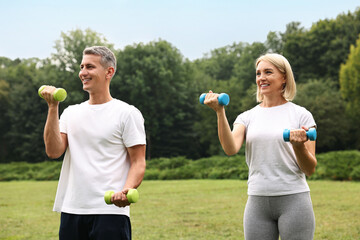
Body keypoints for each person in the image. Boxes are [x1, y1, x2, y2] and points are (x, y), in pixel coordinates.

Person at [203, 53, 317, 240]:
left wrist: (298, 146)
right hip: (257, 201)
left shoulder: (301, 116)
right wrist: (220, 112)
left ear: (284, 78)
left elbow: (310, 169)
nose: (261, 78)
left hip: (294, 199)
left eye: (268, 72)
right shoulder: (247, 117)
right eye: (258, 73)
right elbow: (230, 148)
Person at [41, 46, 146, 240]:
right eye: (81, 67)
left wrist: (126, 190)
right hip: (72, 209)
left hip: (110, 211)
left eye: (90, 67)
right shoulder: (70, 112)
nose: (83, 73)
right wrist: (53, 107)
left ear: (109, 72)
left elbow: (138, 162)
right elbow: (54, 151)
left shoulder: (127, 113)